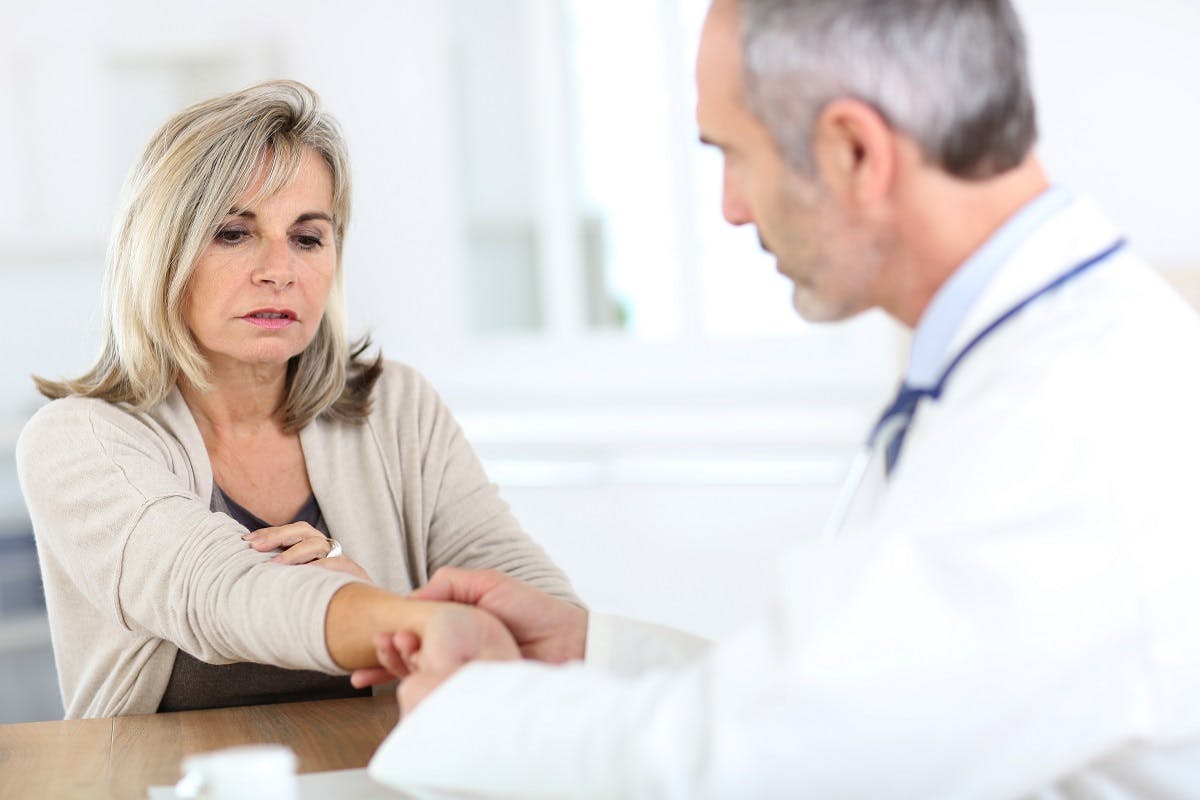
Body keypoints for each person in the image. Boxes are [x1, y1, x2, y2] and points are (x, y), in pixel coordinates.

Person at [359, 0, 1200, 796]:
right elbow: (858, 701)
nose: (728, 208)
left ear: (854, 152)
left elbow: (772, 765)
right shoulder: (1035, 361)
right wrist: (590, 652)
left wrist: (469, 715)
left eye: (732, 153)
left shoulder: (1065, 420)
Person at [14, 79, 576, 719]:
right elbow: (215, 591)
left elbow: (531, 603)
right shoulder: (76, 438)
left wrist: (366, 593)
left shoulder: (397, 407)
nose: (279, 269)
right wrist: (402, 620)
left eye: (307, 237)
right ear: (159, 254)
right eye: (233, 232)